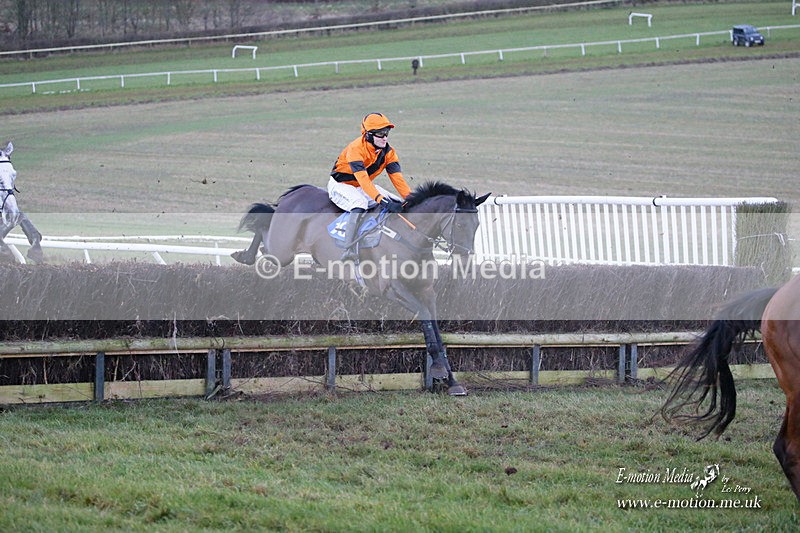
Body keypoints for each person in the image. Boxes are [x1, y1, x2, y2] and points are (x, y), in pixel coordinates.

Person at [328, 112, 411, 261]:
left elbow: (398, 180)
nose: (385, 137)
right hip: (341, 185)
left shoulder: (389, 152)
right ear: (368, 135)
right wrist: (380, 199)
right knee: (360, 203)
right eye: (380, 133)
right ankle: (349, 248)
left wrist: (411, 198)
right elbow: (364, 180)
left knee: (397, 200)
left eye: (387, 132)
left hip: (361, 186)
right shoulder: (355, 149)